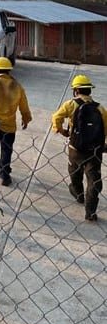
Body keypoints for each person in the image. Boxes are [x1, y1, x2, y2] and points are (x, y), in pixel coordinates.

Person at [52, 74, 107, 222]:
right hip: (94, 151)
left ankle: (78, 194)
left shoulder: (71, 105)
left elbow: (56, 117)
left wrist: (61, 130)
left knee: (74, 173)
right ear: (90, 91)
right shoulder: (100, 108)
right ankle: (90, 212)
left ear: (76, 91)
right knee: (93, 180)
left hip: (75, 148)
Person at [0, 57, 32, 186]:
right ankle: (5, 175)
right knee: (6, 150)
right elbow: (24, 105)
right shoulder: (17, 85)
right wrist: (26, 119)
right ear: (9, 70)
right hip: (9, 125)